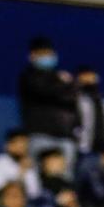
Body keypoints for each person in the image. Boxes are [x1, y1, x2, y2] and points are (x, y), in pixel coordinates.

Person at [17, 36, 78, 168]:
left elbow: (73, 97)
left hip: (65, 136)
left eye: (49, 54)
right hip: (40, 135)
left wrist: (64, 85)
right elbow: (45, 91)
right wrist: (63, 84)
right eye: (42, 54)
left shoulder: (60, 77)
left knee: (64, 180)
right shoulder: (28, 77)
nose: (47, 57)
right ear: (32, 56)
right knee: (39, 177)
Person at [72, 67, 104, 161]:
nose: (89, 80)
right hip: (82, 149)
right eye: (84, 78)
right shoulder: (75, 100)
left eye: (91, 77)